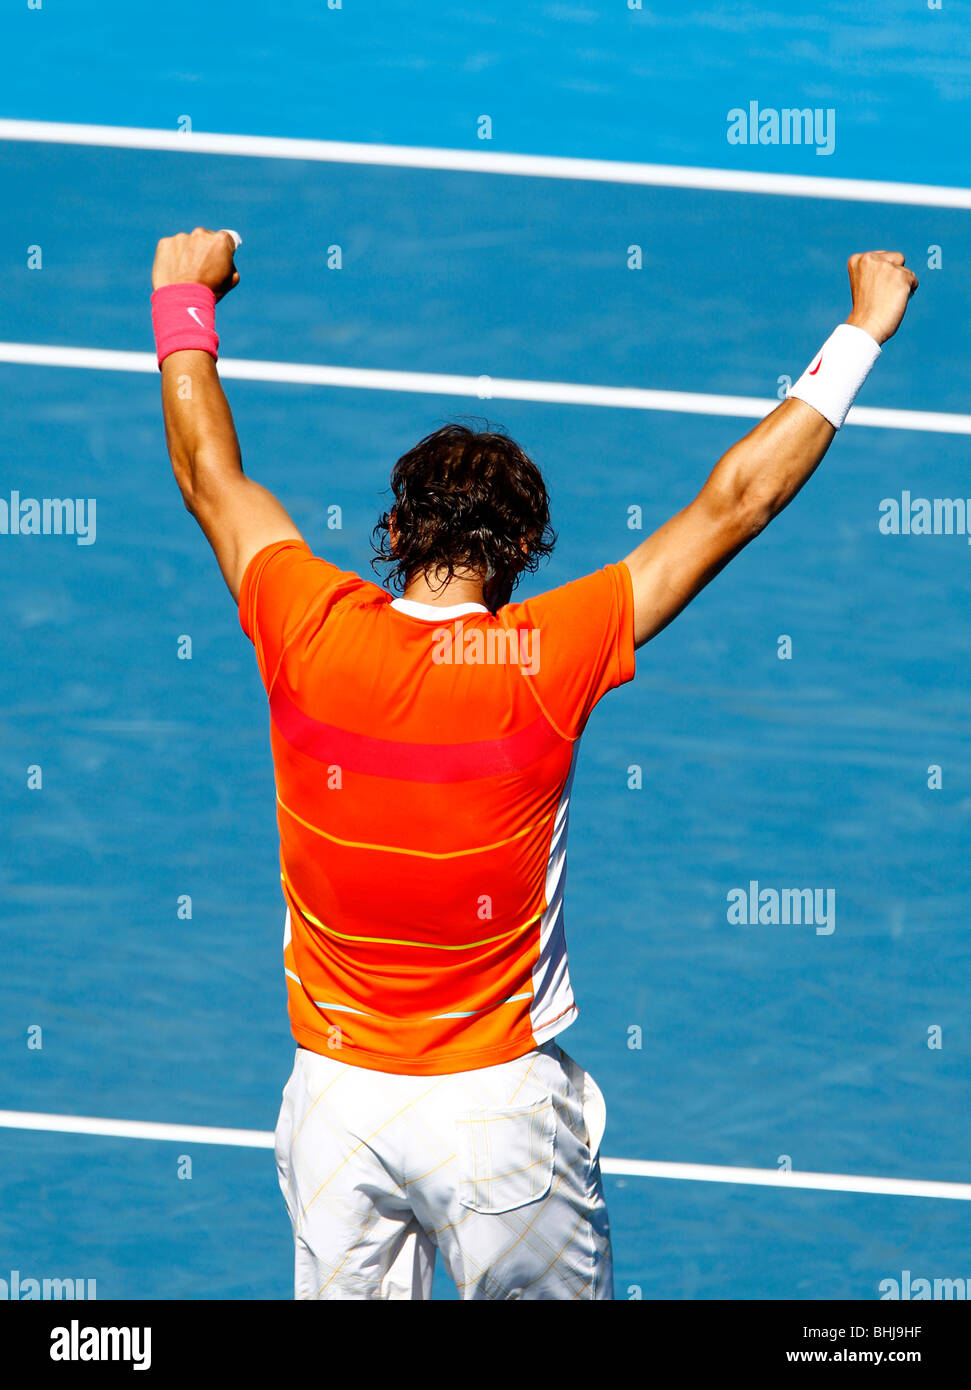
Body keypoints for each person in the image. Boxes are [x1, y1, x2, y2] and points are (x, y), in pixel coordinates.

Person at [151, 229, 916, 1299]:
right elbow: (737, 502)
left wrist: (180, 298)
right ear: (519, 554)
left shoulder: (301, 619)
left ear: (395, 531)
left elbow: (207, 473)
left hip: (334, 1107)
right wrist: (860, 331)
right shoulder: (543, 655)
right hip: (494, 1117)